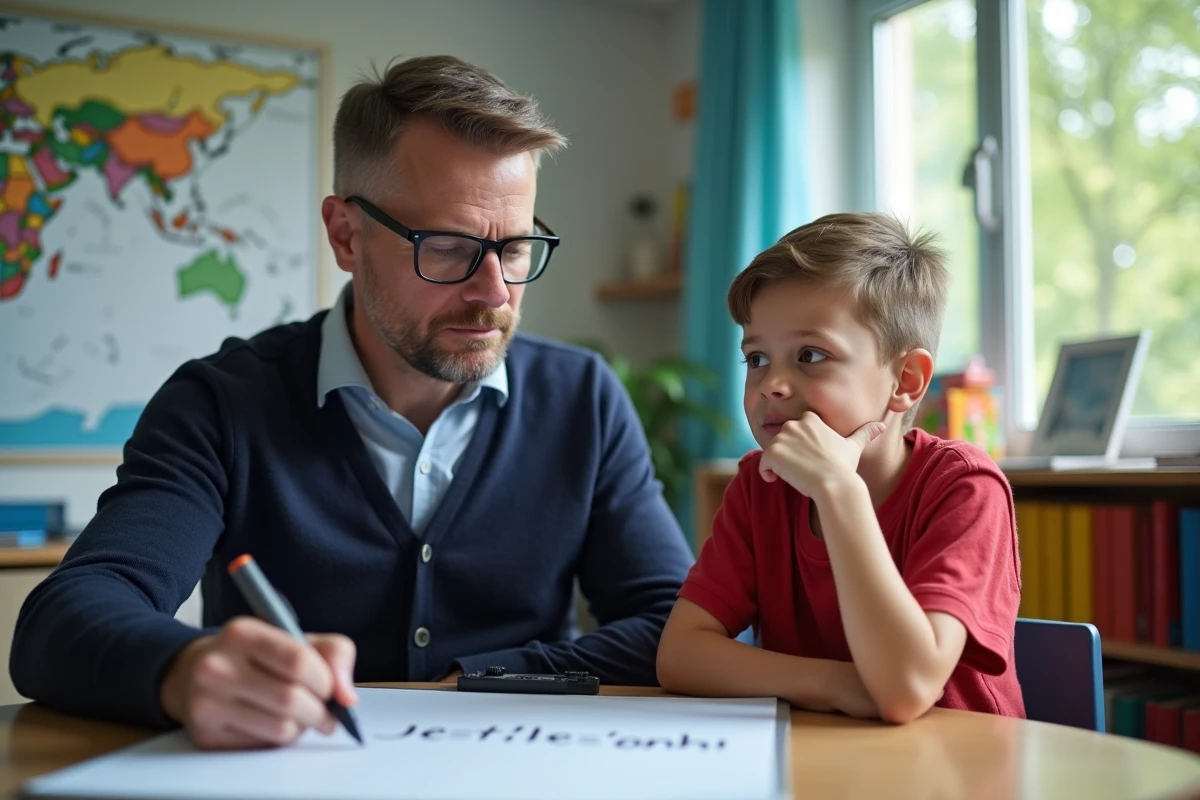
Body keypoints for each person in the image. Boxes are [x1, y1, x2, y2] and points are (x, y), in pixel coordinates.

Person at [11, 55, 694, 749]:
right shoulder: (220, 404)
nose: (494, 292)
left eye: (515, 247)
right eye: (450, 248)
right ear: (346, 234)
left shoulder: (583, 397)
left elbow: (680, 624)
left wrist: (486, 680)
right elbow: (63, 621)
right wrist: (183, 669)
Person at [656, 213, 1025, 723]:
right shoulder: (759, 486)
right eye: (757, 358)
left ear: (906, 381)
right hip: (826, 763)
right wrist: (835, 683)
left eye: (810, 354)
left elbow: (904, 690)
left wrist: (838, 489)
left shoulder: (964, 488)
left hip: (956, 773)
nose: (771, 385)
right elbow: (679, 656)